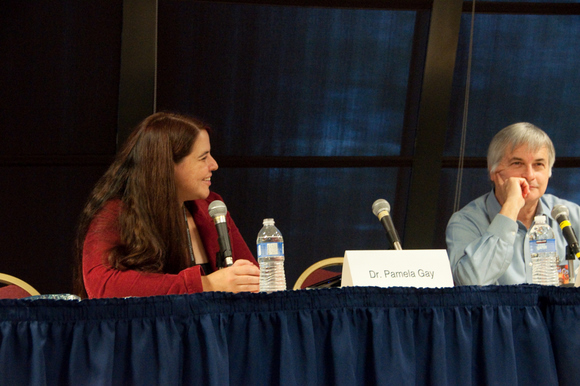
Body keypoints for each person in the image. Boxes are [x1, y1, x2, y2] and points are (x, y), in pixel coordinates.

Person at [74, 112, 260, 298]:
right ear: (167, 165)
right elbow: (101, 285)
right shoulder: (116, 213)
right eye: (203, 158)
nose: (214, 165)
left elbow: (256, 280)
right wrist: (206, 284)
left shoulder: (212, 207)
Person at [446, 122, 580, 285]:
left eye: (538, 164)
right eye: (517, 163)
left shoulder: (571, 216)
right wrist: (511, 207)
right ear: (494, 172)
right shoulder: (466, 221)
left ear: (549, 172)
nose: (530, 175)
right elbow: (470, 284)